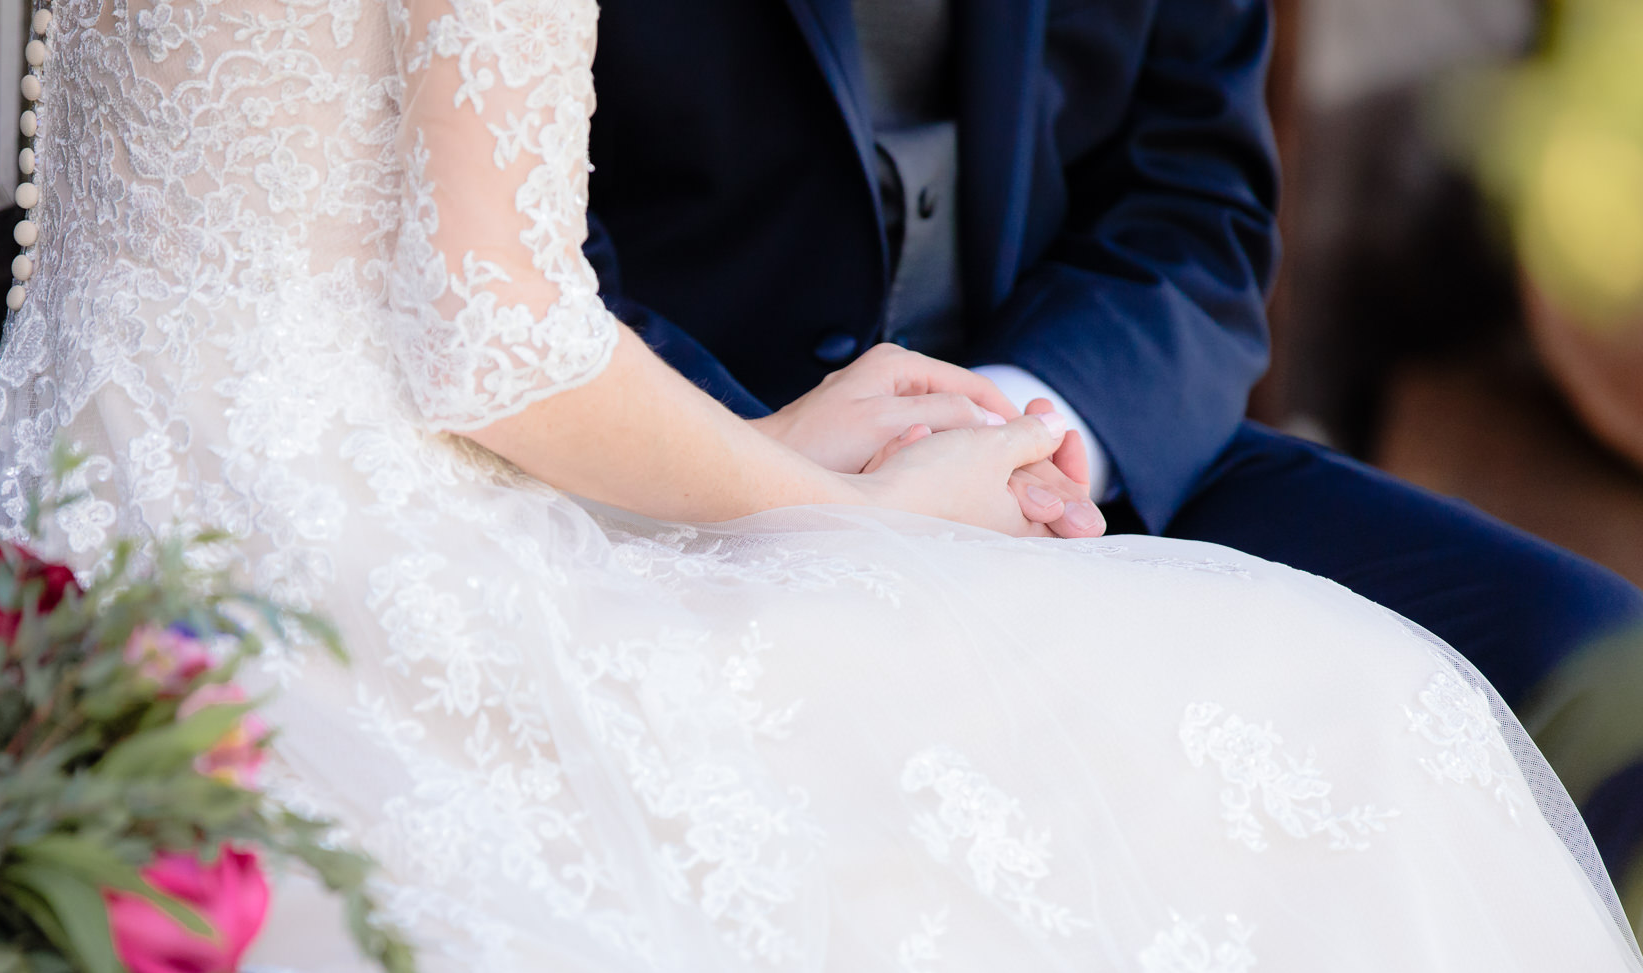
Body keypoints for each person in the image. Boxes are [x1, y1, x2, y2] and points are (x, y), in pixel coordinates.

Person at [0, 1, 1643, 973]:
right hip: (587, 468)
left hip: (132, 483)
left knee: (1554, 675)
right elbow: (502, 318)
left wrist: (1016, 432)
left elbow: (1197, 212)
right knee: (1308, 759)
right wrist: (842, 507)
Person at [583, 0, 1643, 923]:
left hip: (1074, 433)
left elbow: (1194, 204)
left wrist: (1019, 441)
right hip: (663, 479)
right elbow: (505, 268)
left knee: (1588, 666)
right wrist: (808, 476)